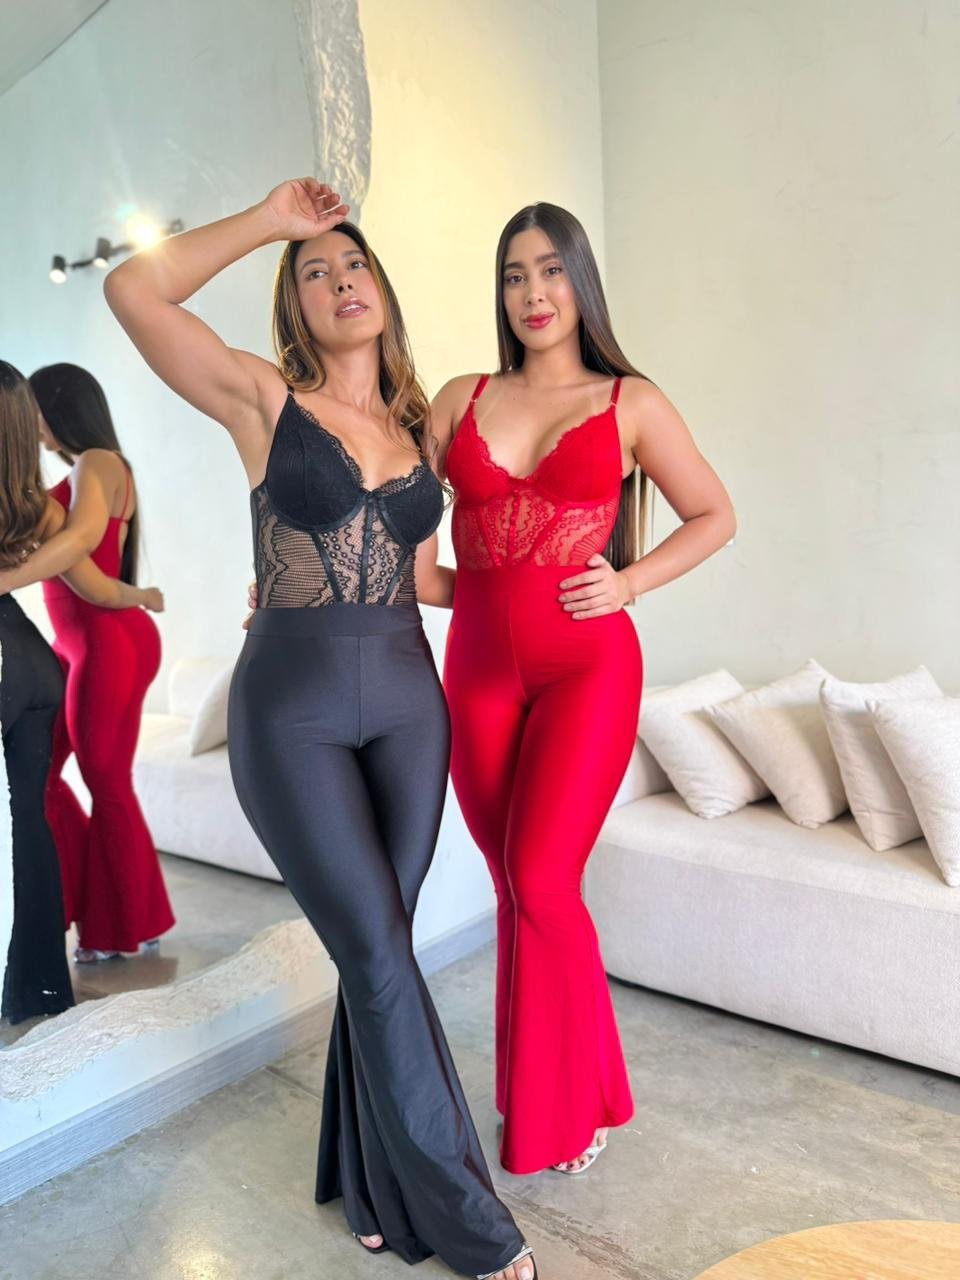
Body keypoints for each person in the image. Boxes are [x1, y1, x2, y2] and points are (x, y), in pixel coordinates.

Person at [102, 177, 536, 1280]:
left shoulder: (419, 429)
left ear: (382, 289)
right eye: (315, 270)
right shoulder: (263, 399)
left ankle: (368, 1178)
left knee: (373, 948)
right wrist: (271, 222)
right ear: (294, 305)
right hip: (290, 711)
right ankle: (477, 1228)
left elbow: (426, 577)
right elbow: (134, 290)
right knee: (382, 954)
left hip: (408, 704)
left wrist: (542, 584)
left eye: (354, 263)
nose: (340, 279)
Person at [430, 202, 737, 1177]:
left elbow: (714, 513)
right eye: (514, 274)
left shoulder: (629, 402)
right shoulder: (459, 397)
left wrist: (630, 581)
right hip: (476, 671)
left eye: (551, 270)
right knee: (512, 884)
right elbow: (395, 522)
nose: (533, 292)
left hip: (588, 667)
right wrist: (309, 580)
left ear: (580, 281)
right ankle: (577, 1085)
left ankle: (559, 1115)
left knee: (543, 879)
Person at [0, 361, 161, 1022]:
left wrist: (6, 580)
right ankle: (85, 905)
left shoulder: (98, 461)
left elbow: (83, 544)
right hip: (82, 644)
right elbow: (83, 559)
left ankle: (123, 926)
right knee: (48, 780)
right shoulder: (66, 480)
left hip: (105, 644)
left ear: (58, 408)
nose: (31, 423)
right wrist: (138, 592)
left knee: (106, 780)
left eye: (35, 409)